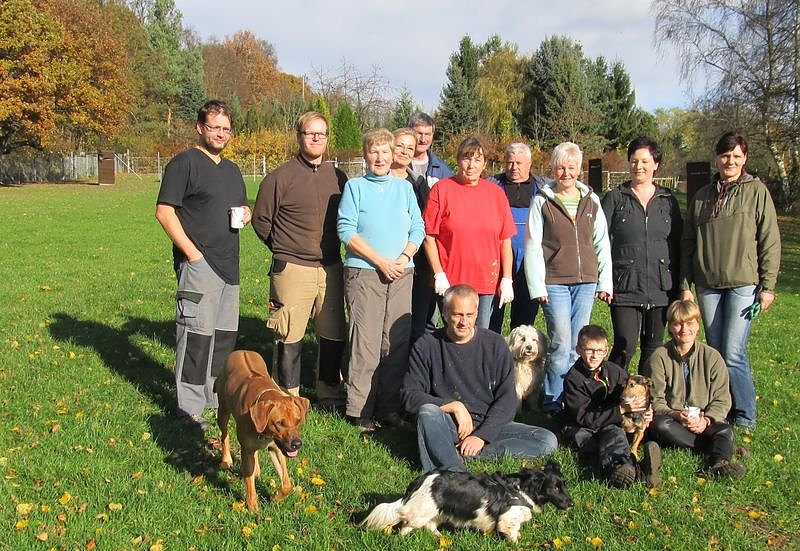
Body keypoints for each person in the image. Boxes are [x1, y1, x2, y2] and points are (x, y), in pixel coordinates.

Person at [155, 99, 250, 430]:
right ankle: (190, 409)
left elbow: (237, 206)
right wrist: (192, 254)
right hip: (200, 265)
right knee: (195, 337)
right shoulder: (184, 165)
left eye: (226, 129)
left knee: (222, 337)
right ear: (200, 128)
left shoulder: (232, 169)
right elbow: (164, 212)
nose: (221, 134)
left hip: (229, 265)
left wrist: (246, 214)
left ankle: (214, 397)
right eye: (215, 127)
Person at [680, 132, 781, 431]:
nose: (730, 161)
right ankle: (723, 408)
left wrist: (769, 286)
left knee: (733, 351)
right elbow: (688, 243)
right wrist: (686, 286)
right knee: (715, 350)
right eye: (725, 156)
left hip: (743, 285)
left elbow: (770, 240)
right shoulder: (701, 197)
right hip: (708, 285)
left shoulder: (756, 192)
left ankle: (746, 415)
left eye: (736, 156)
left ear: (745, 158)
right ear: (717, 158)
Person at [401, 284, 558, 472]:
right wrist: (454, 406)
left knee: (547, 440)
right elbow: (409, 395)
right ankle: (452, 470)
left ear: (477, 313)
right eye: (457, 314)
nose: (463, 322)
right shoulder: (427, 345)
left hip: (489, 422)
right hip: (448, 424)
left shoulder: (495, 345)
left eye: (469, 315)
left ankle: (456, 453)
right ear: (444, 313)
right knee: (427, 412)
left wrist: (482, 436)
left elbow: (507, 400)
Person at [252, 111, 348, 407]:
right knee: (289, 334)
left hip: (331, 267)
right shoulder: (280, 177)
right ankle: (286, 396)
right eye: (310, 133)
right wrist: (284, 248)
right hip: (292, 267)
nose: (316, 138)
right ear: (299, 136)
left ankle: (329, 391)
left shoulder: (339, 176)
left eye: (322, 133)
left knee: (333, 334)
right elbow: (261, 221)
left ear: (327, 139)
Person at [337, 128, 425, 432]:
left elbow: (418, 228)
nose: (380, 157)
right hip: (365, 272)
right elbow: (346, 231)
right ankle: (359, 409)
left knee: (396, 341)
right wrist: (380, 262)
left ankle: (388, 408)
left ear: (394, 156)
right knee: (366, 340)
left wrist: (402, 259)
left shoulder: (404, 190)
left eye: (385, 152)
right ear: (365, 155)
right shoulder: (355, 187)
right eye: (374, 152)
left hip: (402, 273)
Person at [524, 142, 612, 414]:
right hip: (555, 282)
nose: (566, 173)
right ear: (553, 169)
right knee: (561, 343)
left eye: (571, 167)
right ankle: (553, 400)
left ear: (579, 169)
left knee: (579, 344)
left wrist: (604, 281)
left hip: (586, 281)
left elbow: (602, 243)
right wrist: (537, 284)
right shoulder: (542, 200)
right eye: (561, 167)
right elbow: (532, 244)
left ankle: (573, 398)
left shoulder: (592, 200)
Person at [601, 137, 682, 371]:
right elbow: (599, 241)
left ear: (656, 164)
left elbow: (678, 243)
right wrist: (604, 281)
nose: (639, 166)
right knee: (625, 344)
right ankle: (615, 400)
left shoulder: (668, 201)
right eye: (634, 161)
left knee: (654, 349)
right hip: (625, 285)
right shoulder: (615, 198)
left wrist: (680, 286)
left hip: (661, 286)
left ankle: (647, 400)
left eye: (645, 161)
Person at [642, 299, 746, 478]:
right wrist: (675, 415)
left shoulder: (712, 357)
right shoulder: (659, 357)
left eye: (690, 323)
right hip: (673, 420)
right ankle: (715, 447)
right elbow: (655, 399)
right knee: (659, 425)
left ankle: (719, 464)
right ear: (670, 327)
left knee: (725, 429)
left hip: (704, 418)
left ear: (698, 326)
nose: (684, 330)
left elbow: (722, 398)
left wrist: (706, 420)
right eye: (678, 324)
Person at [423, 136, 516, 329]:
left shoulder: (496, 194)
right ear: (458, 160)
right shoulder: (442, 190)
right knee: (455, 333)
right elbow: (429, 237)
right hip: (451, 280)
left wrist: (507, 278)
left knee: (481, 335)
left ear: (485, 164)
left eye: (477, 159)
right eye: (466, 158)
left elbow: (504, 240)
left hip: (485, 281)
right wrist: (439, 274)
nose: (471, 165)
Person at [562, 325, 660, 488]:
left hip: (609, 423)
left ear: (606, 351)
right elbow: (584, 417)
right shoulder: (574, 379)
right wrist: (620, 410)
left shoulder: (614, 371)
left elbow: (635, 389)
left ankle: (624, 468)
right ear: (579, 349)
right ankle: (634, 472)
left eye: (599, 351)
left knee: (615, 436)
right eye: (589, 350)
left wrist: (646, 409)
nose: (594, 356)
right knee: (592, 446)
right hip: (581, 426)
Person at [488, 143, 547, 333]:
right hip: (496, 259)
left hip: (529, 260)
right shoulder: (491, 186)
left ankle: (519, 360)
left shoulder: (544, 189)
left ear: (529, 163)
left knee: (524, 321)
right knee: (491, 317)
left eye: (519, 163)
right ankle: (493, 357)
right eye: (510, 162)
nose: (514, 168)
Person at [406, 113, 453, 344]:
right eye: (418, 133)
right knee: (412, 314)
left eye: (427, 134)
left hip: (435, 250)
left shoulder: (442, 170)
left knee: (434, 313)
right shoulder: (397, 167)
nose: (422, 139)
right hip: (407, 250)